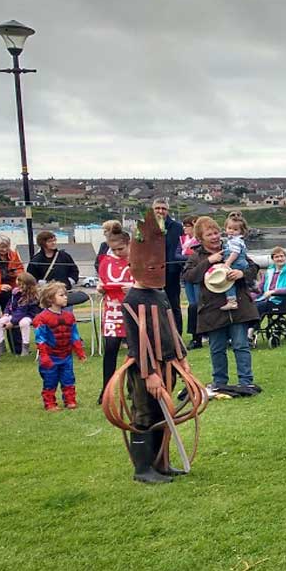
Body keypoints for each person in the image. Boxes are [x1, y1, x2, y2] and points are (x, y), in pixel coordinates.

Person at [112, 207, 196, 484]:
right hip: (145, 370)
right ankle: (143, 469)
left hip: (167, 364)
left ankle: (161, 461)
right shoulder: (133, 299)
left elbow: (171, 328)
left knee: (164, 411)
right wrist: (150, 373)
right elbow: (138, 340)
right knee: (145, 413)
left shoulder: (159, 296)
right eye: (151, 266)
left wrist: (181, 359)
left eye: (159, 265)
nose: (156, 271)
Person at [182, 215, 260, 397]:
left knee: (241, 345)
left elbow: (253, 267)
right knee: (217, 348)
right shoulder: (196, 256)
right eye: (210, 234)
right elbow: (189, 277)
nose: (215, 237)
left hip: (238, 308)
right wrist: (209, 261)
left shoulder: (232, 247)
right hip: (212, 309)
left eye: (217, 232)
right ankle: (220, 382)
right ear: (201, 238)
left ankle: (246, 382)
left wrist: (242, 273)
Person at [33, 282, 87, 410]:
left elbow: (74, 335)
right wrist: (44, 356)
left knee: (68, 378)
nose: (65, 297)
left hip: (66, 355)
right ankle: (50, 402)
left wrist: (79, 351)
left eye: (65, 295)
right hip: (51, 356)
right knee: (50, 380)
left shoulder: (69, 316)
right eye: (61, 295)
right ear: (50, 298)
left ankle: (70, 400)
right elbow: (40, 339)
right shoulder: (41, 318)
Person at [97, 223, 133, 402]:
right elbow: (103, 279)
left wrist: (133, 288)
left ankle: (133, 388)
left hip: (133, 309)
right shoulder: (107, 261)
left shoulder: (139, 259)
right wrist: (101, 288)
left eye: (121, 248)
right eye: (114, 249)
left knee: (135, 350)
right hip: (112, 309)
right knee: (111, 348)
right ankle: (106, 389)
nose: (117, 252)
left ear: (128, 244)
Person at [154, 198, 187, 334]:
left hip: (172, 272)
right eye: (157, 208)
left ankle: (177, 336)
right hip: (152, 273)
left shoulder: (177, 227)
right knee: (154, 306)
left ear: (167, 210)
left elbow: (184, 248)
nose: (160, 211)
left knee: (174, 306)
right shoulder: (146, 227)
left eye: (163, 208)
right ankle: (158, 335)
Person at [0, 272, 41, 357]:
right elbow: (9, 304)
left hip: (29, 315)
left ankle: (25, 347)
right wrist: (6, 313)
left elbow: (22, 310)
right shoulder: (15, 292)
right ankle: (1, 346)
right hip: (15, 314)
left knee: (23, 323)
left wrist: (12, 322)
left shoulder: (31, 296)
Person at [253, 246, 286, 319]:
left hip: (283, 301)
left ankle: (250, 329)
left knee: (258, 307)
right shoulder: (269, 271)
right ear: (273, 259)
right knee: (248, 306)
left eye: (282, 256)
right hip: (267, 300)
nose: (280, 259)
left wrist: (273, 292)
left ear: (285, 257)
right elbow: (260, 288)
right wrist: (249, 297)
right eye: (276, 257)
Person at [217, 215, 251, 311]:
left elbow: (235, 253)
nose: (231, 231)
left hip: (236, 263)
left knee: (228, 281)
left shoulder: (234, 241)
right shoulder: (236, 240)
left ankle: (232, 301)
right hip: (243, 263)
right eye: (229, 228)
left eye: (235, 229)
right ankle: (253, 285)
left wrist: (227, 263)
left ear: (241, 231)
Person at [180, 215, 203, 348]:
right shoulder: (182, 240)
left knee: (198, 305)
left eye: (187, 226)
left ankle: (200, 335)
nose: (184, 228)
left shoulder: (199, 240)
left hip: (198, 276)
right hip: (187, 275)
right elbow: (177, 254)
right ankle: (195, 336)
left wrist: (187, 256)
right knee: (192, 305)